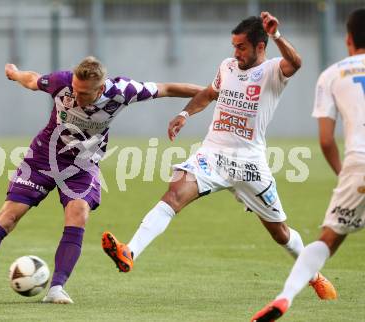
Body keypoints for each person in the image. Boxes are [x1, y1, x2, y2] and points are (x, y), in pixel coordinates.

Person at [102, 12, 336, 300]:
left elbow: (296, 63)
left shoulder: (274, 71)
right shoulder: (227, 66)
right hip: (212, 155)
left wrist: (276, 35)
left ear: (260, 47)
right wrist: (184, 112)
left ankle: (313, 276)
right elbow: (210, 94)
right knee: (174, 193)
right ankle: (130, 251)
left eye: (241, 47)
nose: (235, 52)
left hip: (250, 164)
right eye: (234, 46)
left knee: (280, 233)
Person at [0, 56, 203, 304]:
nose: (77, 96)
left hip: (82, 165)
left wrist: (212, 92)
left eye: (85, 93)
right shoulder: (61, 81)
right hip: (43, 157)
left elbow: (167, 88)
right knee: (9, 215)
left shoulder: (122, 91)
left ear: (101, 88)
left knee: (78, 214)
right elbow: (32, 80)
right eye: (75, 90)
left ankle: (56, 288)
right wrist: (15, 72)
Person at [251, 8, 365, 321]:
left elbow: (327, 141)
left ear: (348, 39)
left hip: (358, 164)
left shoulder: (333, 75)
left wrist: (346, 175)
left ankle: (285, 298)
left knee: (328, 240)